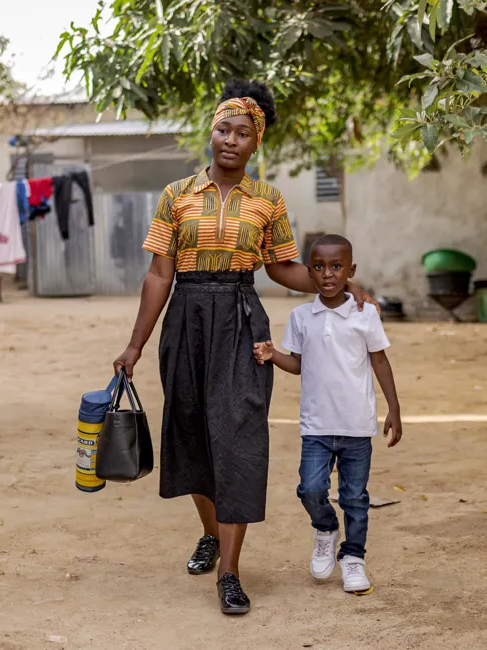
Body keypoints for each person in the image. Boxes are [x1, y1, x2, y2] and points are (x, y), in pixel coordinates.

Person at [113, 79, 376, 616]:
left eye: (242, 133)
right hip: (185, 320)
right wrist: (134, 345)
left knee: (237, 435)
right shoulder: (176, 195)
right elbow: (160, 273)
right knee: (192, 433)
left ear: (256, 144)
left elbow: (281, 267)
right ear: (210, 132)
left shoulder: (268, 201)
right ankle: (210, 533)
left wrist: (340, 284)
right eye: (222, 129)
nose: (230, 140)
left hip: (239, 318)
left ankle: (229, 572)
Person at [253, 234, 402, 593]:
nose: (328, 274)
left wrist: (394, 408)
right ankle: (325, 527)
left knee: (354, 497)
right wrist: (274, 356)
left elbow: (379, 360)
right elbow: (299, 364)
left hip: (356, 424)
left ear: (350, 271)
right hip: (316, 426)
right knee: (310, 488)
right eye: (319, 267)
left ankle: (353, 559)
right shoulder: (301, 316)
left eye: (337, 267)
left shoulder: (365, 315)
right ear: (309, 272)